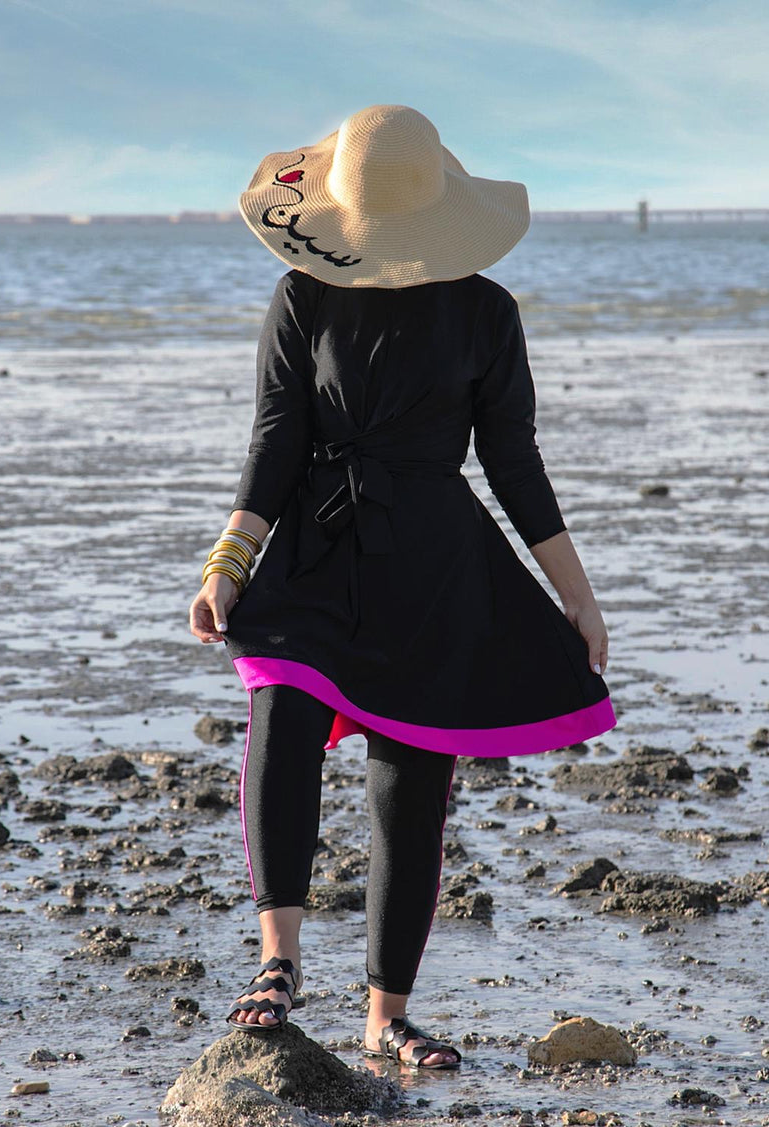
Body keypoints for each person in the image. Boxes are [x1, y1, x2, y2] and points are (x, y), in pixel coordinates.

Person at [188, 104, 616, 1070]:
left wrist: (577, 595)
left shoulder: (486, 314)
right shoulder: (304, 295)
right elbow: (275, 439)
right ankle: (278, 961)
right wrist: (228, 561)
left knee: (411, 778)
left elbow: (513, 460)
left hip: (433, 562)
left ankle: (388, 1014)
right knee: (281, 712)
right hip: (311, 549)